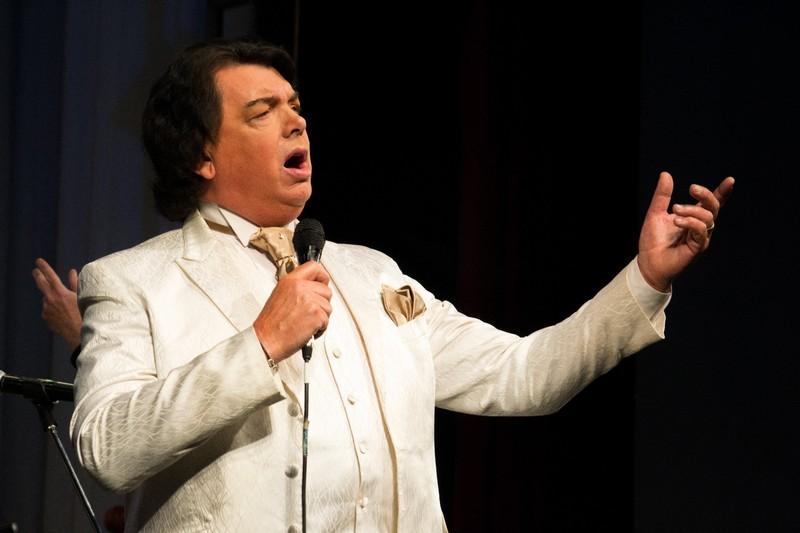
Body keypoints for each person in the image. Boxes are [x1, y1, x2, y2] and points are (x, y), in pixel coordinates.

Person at [68, 38, 734, 532]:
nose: (297, 122)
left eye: (295, 107)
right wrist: (260, 343)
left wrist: (644, 278)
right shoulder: (134, 280)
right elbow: (105, 447)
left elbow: (524, 374)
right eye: (262, 112)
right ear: (200, 155)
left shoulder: (372, 272)